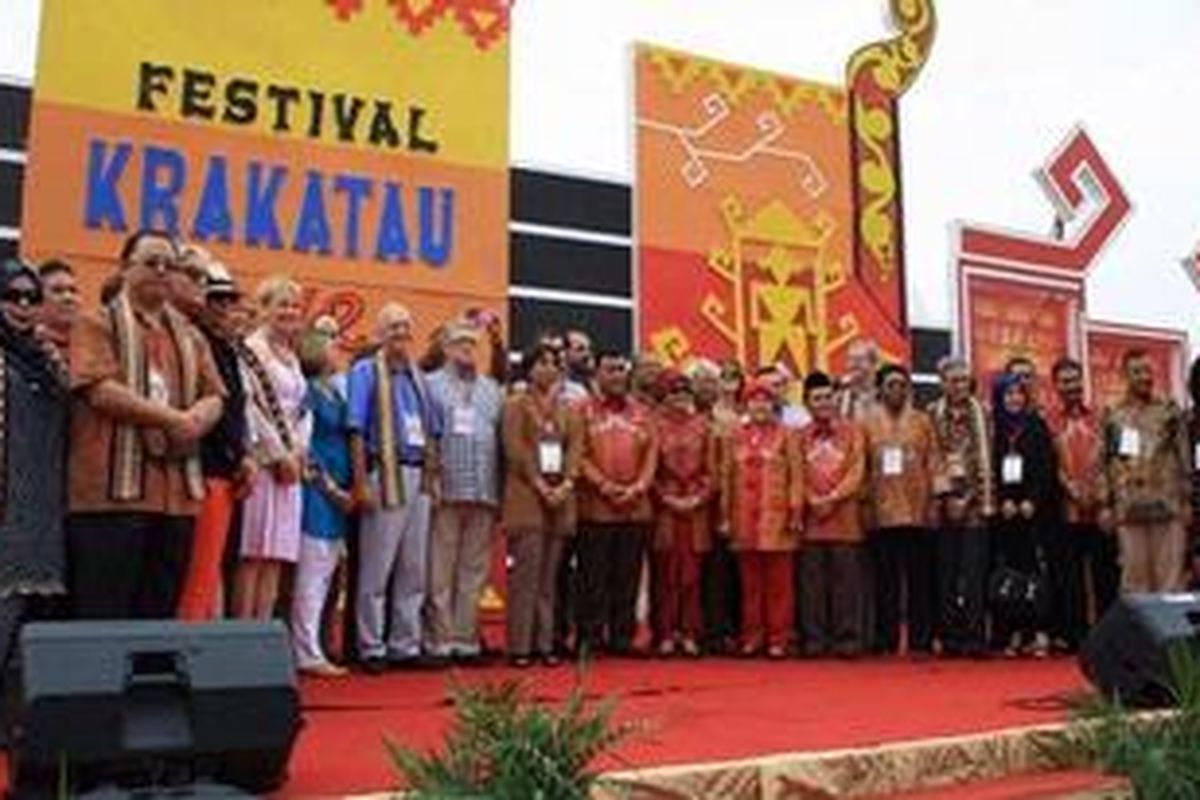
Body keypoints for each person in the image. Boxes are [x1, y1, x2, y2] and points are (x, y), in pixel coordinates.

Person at [66, 229, 225, 619]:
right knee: (103, 612)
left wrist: (198, 418)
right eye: (151, 262)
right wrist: (174, 418)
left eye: (169, 265)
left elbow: (216, 395)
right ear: (125, 268)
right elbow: (100, 390)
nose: (161, 271)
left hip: (176, 496)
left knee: (159, 614)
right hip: (110, 494)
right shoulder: (96, 323)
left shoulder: (191, 336)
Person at [348, 303, 440, 672]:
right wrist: (360, 483)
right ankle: (371, 645)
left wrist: (433, 480)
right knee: (377, 565)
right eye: (393, 326)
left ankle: (405, 643)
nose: (401, 332)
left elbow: (432, 431)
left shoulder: (418, 375)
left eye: (405, 326)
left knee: (414, 566)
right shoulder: (366, 371)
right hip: (384, 472)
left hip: (418, 475)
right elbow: (355, 429)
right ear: (379, 333)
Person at [0, 261, 69, 736]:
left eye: (31, 297)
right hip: (5, 502)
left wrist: (54, 361)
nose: (23, 305)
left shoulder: (43, 358)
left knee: (29, 620)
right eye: (12, 296)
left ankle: (11, 722)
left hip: (43, 504)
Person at [175, 257, 252, 621]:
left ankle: (204, 636)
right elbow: (213, 411)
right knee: (197, 571)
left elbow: (236, 411)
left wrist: (245, 456)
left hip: (227, 471)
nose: (223, 307)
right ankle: (190, 641)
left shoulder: (225, 348)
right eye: (216, 299)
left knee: (211, 569)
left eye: (229, 300)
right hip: (203, 469)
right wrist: (239, 455)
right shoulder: (196, 342)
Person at [425, 321, 504, 663]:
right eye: (460, 343)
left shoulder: (492, 389)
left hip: (484, 490)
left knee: (474, 571)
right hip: (447, 489)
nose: (467, 349)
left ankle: (466, 639)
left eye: (472, 344)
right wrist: (431, 479)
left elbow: (501, 443)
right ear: (445, 348)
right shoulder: (430, 385)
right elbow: (427, 437)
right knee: (440, 569)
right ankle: (440, 640)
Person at [501, 343, 583, 667]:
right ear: (530, 368)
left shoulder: (568, 409)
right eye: (542, 362)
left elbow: (576, 448)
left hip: (560, 497)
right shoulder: (516, 404)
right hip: (527, 495)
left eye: (554, 363)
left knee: (549, 578)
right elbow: (515, 449)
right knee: (526, 576)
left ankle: (545, 643)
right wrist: (538, 483)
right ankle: (520, 646)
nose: (549, 368)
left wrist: (566, 483)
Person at [236, 276, 311, 621]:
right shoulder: (251, 350)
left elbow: (303, 410)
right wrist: (278, 455)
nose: (290, 311)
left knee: (276, 556)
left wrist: (298, 452)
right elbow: (250, 407)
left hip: (291, 465)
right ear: (264, 308)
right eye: (282, 304)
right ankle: (243, 635)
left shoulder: (293, 357)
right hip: (264, 464)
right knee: (253, 554)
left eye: (295, 305)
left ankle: (264, 631)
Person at [577, 351, 659, 656]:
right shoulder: (581, 411)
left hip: (635, 508)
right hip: (594, 507)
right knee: (593, 577)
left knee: (628, 576)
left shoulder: (642, 412)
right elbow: (578, 454)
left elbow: (651, 455)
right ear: (597, 374)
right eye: (610, 370)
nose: (617, 376)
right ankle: (591, 636)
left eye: (621, 370)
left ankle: (623, 636)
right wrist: (604, 485)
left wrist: (639, 487)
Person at [720, 378, 802, 659]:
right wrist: (725, 516)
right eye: (754, 400)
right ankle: (752, 637)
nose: (760, 406)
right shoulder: (735, 435)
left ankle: (779, 638)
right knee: (750, 585)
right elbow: (727, 477)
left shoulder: (787, 435)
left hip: (776, 518)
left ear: (774, 404)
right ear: (746, 405)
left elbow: (796, 477)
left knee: (780, 585)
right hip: (743, 518)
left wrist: (795, 512)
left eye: (765, 400)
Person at [1099, 349, 1191, 593]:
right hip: (1129, 508)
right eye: (1137, 371)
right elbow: (1103, 460)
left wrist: (1187, 501)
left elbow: (1184, 457)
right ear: (1125, 376)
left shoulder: (1169, 410)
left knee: (1170, 581)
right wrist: (1105, 504)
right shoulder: (1113, 414)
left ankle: (1169, 620)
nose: (1144, 377)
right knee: (1134, 582)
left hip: (1168, 506)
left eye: (1148, 371)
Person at [292, 318, 354, 677]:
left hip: (339, 492)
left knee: (328, 573)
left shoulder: (335, 390)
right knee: (311, 575)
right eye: (331, 344)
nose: (338, 349)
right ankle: (306, 650)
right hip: (318, 490)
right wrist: (330, 488)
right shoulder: (310, 392)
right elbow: (306, 446)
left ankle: (314, 643)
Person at [863, 364, 939, 657]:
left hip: (917, 509)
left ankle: (920, 640)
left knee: (920, 579)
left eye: (902, 385)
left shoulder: (922, 421)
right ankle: (886, 639)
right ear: (880, 389)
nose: (897, 390)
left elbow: (934, 462)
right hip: (880, 510)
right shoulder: (867, 423)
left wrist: (934, 502)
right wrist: (864, 504)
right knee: (885, 580)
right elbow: (861, 467)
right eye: (891, 384)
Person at [796, 371, 867, 658]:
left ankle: (847, 639)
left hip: (845, 518)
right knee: (812, 585)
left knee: (846, 583)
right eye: (817, 398)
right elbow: (794, 472)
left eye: (828, 397)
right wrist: (811, 499)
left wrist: (832, 498)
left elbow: (857, 470)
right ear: (806, 403)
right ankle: (814, 639)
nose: (824, 402)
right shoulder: (799, 436)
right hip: (811, 520)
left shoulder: (853, 432)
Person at [928, 356, 994, 657]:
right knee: (946, 574)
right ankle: (950, 637)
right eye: (953, 380)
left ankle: (975, 637)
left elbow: (990, 458)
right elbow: (932, 458)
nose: (960, 386)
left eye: (964, 380)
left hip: (977, 505)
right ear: (942, 383)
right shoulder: (931, 414)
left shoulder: (984, 414)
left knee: (974, 574)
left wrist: (969, 498)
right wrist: (947, 498)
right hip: (943, 504)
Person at [1047, 357, 1115, 648]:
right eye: (1065, 381)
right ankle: (1077, 637)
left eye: (1075, 379)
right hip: (1066, 510)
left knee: (1106, 577)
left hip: (1101, 510)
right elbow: (1048, 464)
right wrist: (1071, 490)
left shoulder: (1103, 416)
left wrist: (1104, 498)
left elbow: (1114, 460)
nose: (1071, 386)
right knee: (1070, 578)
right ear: (1056, 385)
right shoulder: (1048, 420)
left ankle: (1109, 637)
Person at [990, 374, 1058, 658]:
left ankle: (1041, 631)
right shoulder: (995, 428)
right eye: (1008, 394)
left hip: (1035, 511)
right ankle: (1015, 632)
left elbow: (1046, 467)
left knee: (1037, 572)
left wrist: (1032, 500)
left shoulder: (1037, 425)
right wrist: (1003, 500)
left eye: (1019, 393)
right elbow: (992, 469)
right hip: (1007, 513)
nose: (1014, 399)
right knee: (1011, 574)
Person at [652, 370, 714, 657]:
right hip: (664, 509)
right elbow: (649, 468)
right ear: (664, 398)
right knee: (665, 574)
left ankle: (690, 633)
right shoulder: (654, 426)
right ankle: (665, 633)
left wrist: (696, 499)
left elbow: (713, 470)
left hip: (695, 510)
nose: (680, 398)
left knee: (692, 576)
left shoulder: (703, 426)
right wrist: (665, 498)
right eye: (674, 393)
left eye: (684, 393)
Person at [35, 259, 78, 355]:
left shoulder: (91, 345)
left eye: (73, 291)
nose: (68, 297)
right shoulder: (27, 346)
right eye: (57, 291)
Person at [838, 338, 880, 421]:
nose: (853, 364)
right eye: (850, 359)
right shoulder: (840, 396)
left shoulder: (885, 395)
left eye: (859, 360)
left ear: (874, 364)